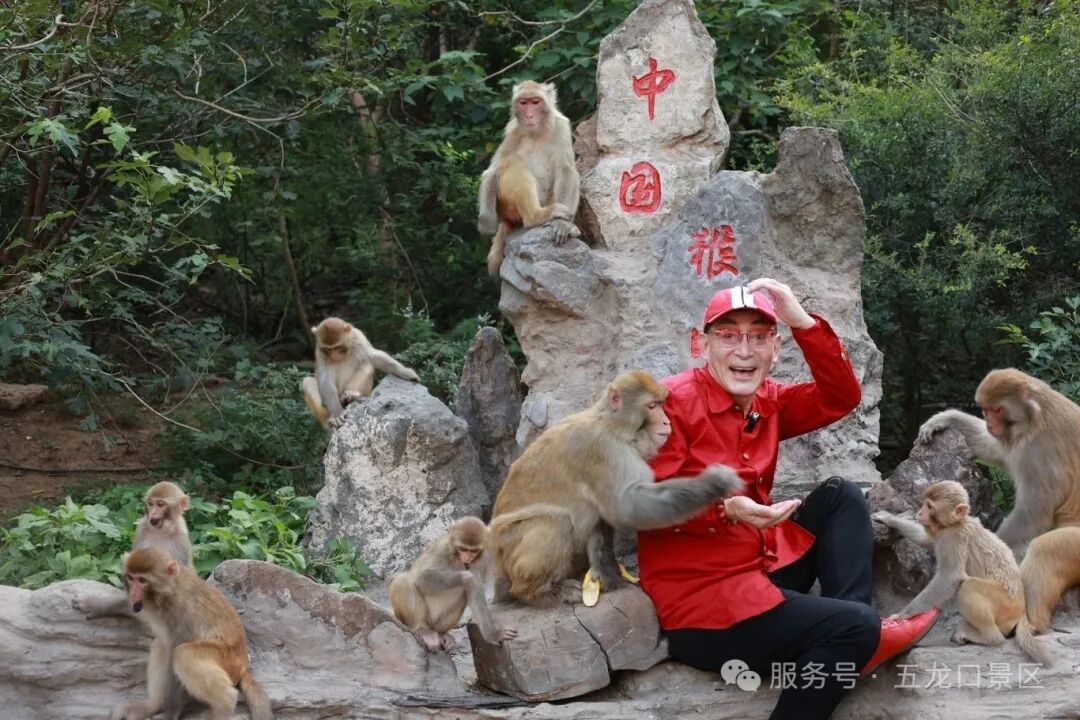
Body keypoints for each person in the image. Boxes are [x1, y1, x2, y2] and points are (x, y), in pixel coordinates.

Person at [638, 279, 939, 720]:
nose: (745, 350)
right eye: (728, 335)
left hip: (760, 569)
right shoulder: (669, 406)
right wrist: (725, 509)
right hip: (706, 610)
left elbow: (841, 397)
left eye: (759, 337)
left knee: (841, 496)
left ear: (775, 349)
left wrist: (801, 321)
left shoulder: (768, 400)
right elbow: (647, 506)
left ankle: (851, 639)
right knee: (856, 628)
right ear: (701, 345)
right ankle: (855, 637)